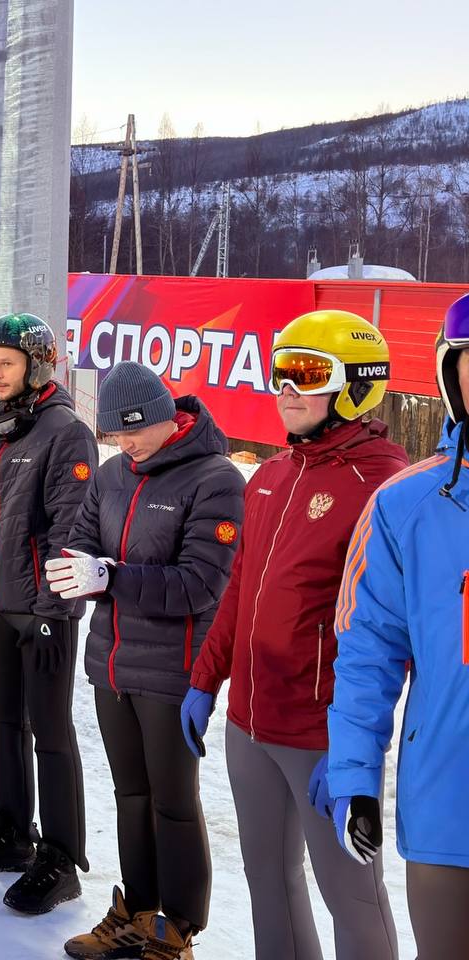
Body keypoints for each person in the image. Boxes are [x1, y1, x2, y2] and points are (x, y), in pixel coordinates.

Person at [183, 310, 405, 960]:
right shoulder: (272, 477)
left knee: (354, 901)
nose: (286, 387)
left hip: (321, 740)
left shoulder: (383, 485)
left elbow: (389, 637)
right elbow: (239, 590)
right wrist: (205, 679)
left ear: (357, 384)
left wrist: (351, 750)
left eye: (306, 374)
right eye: (282, 373)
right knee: (269, 886)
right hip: (249, 726)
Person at [45, 362, 243, 957]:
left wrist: (110, 576)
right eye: (115, 434)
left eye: (132, 431)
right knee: (129, 793)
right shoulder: (111, 475)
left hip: (174, 671)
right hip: (111, 663)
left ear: (164, 418)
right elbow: (80, 539)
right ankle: (139, 908)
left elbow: (199, 585)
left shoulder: (215, 480)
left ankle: (179, 928)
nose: (123, 444)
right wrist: (77, 568)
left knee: (173, 800)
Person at [316, 293, 469, 959]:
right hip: (449, 815)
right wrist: (354, 775)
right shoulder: (407, 506)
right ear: (451, 377)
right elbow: (367, 653)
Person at [0, 314, 96, 911]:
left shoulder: (65, 433)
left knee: (52, 733)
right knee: (5, 723)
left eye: (6, 363)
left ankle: (61, 860)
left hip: (41, 614)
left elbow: (73, 532)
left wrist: (51, 610)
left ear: (37, 365)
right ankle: (12, 832)